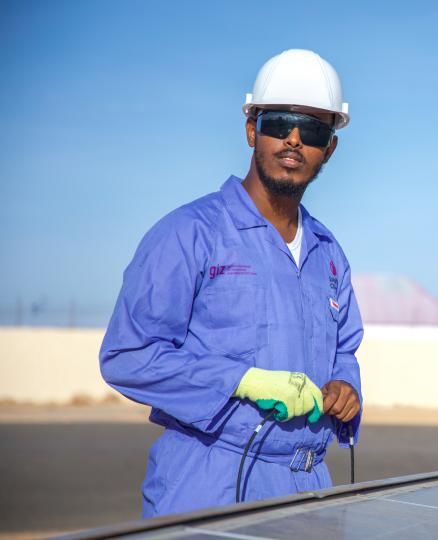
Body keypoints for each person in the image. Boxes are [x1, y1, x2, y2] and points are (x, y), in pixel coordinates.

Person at [99, 49, 363, 518]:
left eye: (315, 130)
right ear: (250, 131)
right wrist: (240, 381)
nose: (294, 140)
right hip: (210, 481)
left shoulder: (329, 254)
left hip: (310, 488)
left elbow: (345, 350)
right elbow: (127, 356)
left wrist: (345, 384)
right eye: (279, 123)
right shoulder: (189, 234)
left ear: (331, 148)